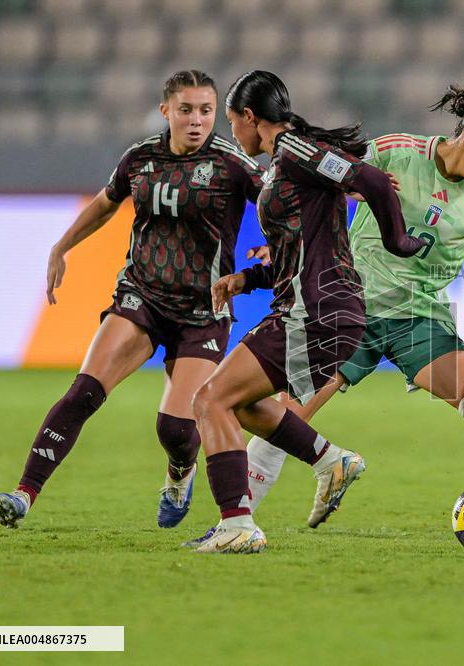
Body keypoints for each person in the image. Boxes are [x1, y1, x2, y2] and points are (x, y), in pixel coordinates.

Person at [202, 85, 464, 554]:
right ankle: (237, 521)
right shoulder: (395, 152)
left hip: (417, 315)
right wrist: (282, 247)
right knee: (284, 414)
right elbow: (322, 191)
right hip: (348, 305)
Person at [0, 70, 265, 530]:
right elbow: (104, 202)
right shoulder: (140, 159)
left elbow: (278, 204)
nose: (196, 120)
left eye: (206, 110)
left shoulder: (232, 163)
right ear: (166, 112)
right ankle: (23, 494)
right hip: (142, 296)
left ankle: (180, 471)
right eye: (186, 110)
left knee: (176, 430)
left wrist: (275, 243)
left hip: (203, 309)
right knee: (83, 392)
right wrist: (61, 246)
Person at [186, 70, 423, 554]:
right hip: (311, 305)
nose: (233, 134)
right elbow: (302, 249)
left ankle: (237, 523)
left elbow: (373, 180)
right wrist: (245, 279)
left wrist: (398, 243)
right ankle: (329, 461)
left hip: (317, 309)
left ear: (251, 117)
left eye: (233, 123)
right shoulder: (283, 164)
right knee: (243, 404)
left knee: (210, 400)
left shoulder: (293, 150)